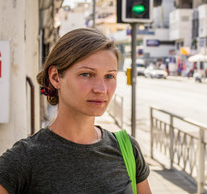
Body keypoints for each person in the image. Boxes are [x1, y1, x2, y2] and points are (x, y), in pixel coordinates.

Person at [0, 28, 151, 194]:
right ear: (56, 77)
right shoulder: (23, 160)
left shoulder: (127, 149)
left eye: (109, 76)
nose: (101, 89)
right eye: (86, 74)